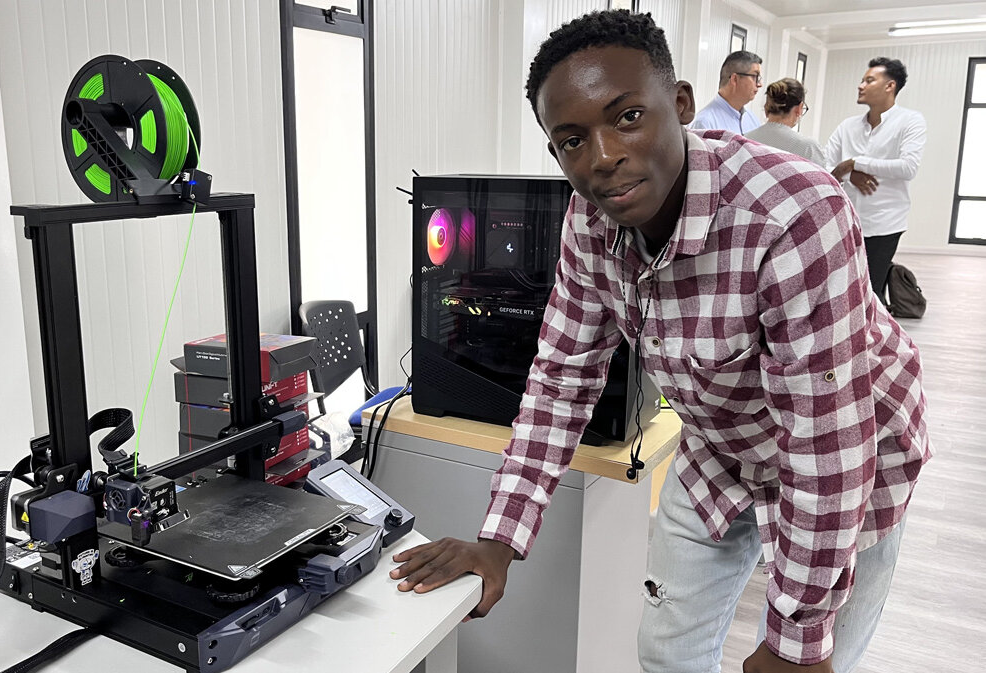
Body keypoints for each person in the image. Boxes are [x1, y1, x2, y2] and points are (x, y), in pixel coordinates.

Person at [389, 10, 930, 673]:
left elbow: (823, 443)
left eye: (625, 118)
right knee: (666, 654)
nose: (602, 157)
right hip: (722, 447)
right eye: (570, 140)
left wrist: (796, 638)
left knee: (815, 661)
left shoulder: (792, 213)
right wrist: (497, 539)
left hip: (853, 456)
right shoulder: (589, 221)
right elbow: (560, 382)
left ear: (678, 106)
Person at [825, 57, 926, 304]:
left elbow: (908, 167)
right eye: (862, 80)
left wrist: (854, 162)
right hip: (846, 222)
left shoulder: (910, 121)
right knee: (841, 291)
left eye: (869, 80)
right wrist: (850, 172)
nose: (860, 85)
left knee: (871, 294)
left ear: (890, 86)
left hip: (884, 223)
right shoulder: (847, 127)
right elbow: (825, 166)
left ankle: (874, 340)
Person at [745, 77, 825, 165]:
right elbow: (821, 178)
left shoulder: (745, 139)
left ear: (766, 106)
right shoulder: (808, 148)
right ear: (799, 108)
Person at [690, 50, 764, 134]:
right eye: (755, 76)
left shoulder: (753, 121)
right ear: (734, 79)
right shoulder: (705, 124)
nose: (759, 84)